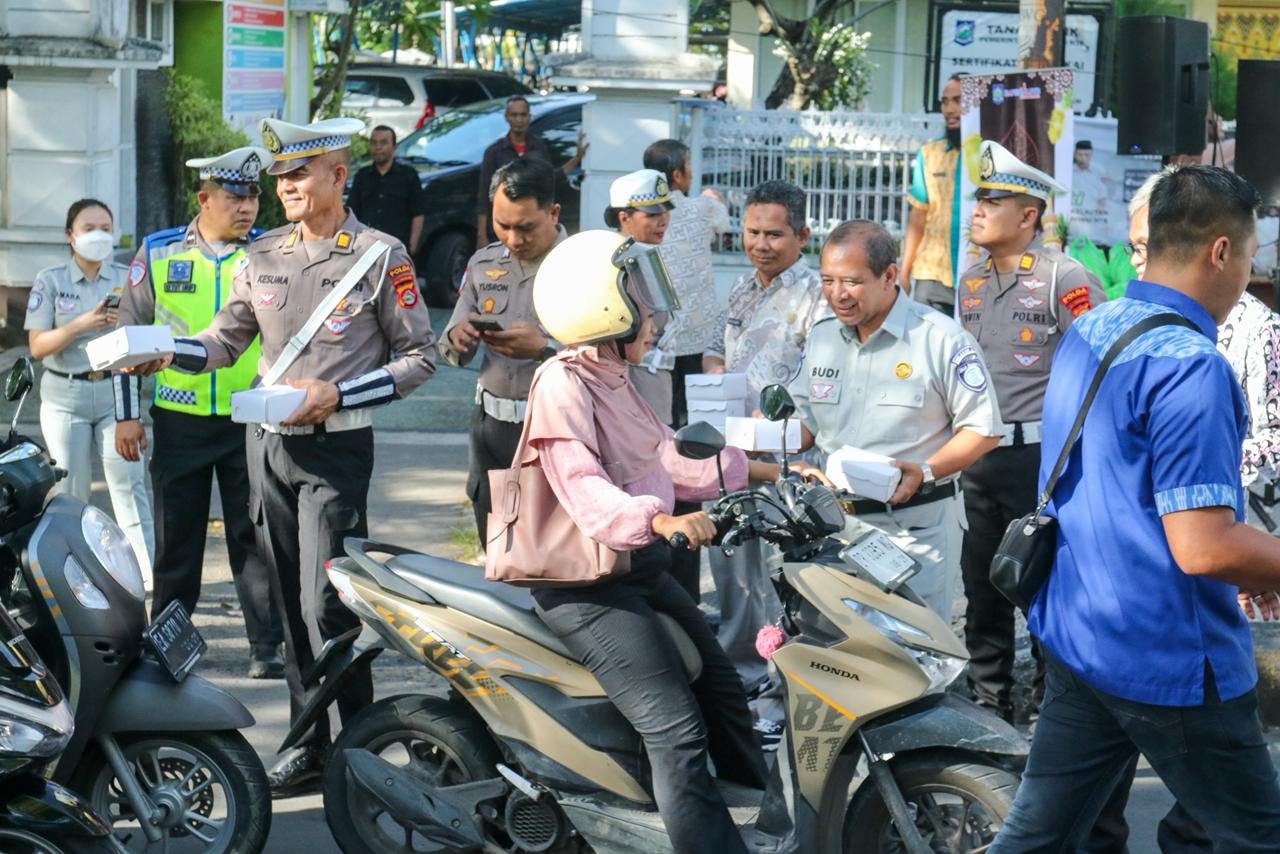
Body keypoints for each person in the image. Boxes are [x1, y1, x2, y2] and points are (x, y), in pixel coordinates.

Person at [128, 116, 437, 796]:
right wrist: (165, 352)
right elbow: (222, 341)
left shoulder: (380, 255)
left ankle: (361, 747)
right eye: (280, 178)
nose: (286, 187)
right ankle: (309, 744)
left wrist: (339, 392)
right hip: (265, 447)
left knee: (328, 605)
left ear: (337, 175)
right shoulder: (263, 253)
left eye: (299, 173)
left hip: (336, 451)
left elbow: (421, 357)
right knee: (292, 607)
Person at [990, 165, 1280, 852]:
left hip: (1080, 630)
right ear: (1220, 252)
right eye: (1249, 257)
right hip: (1168, 652)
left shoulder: (1096, 326)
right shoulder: (1191, 365)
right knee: (1256, 838)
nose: (1249, 275)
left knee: (1039, 838)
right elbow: (1203, 547)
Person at [525, 228, 793, 853]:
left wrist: (768, 474)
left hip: (637, 566)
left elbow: (668, 458)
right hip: (586, 587)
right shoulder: (561, 383)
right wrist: (662, 522)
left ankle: (773, 829)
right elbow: (584, 487)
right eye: (639, 297)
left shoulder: (616, 374)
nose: (653, 313)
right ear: (604, 306)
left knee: (724, 692)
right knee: (675, 729)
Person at [116, 146, 285, 679]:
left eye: (253, 197)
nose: (247, 207)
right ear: (204, 198)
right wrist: (127, 415)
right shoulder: (160, 251)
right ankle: (168, 644)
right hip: (179, 418)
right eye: (235, 197)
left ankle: (266, 646)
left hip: (248, 415)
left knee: (253, 534)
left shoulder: (271, 252)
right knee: (176, 540)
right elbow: (127, 335)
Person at [956, 140, 1105, 724]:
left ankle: (1052, 708)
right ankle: (988, 705)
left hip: (1040, 458)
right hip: (978, 456)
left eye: (993, 202)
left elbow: (1101, 365)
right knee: (981, 588)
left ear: (1028, 216)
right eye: (979, 199)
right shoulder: (969, 280)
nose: (978, 210)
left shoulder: (1063, 276)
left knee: (1040, 583)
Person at [789, 220, 1003, 619]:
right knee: (842, 647)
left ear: (889, 276)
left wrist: (925, 470)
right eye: (828, 280)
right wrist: (748, 438)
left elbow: (982, 430)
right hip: (834, 529)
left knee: (914, 649)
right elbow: (806, 426)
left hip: (913, 534)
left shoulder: (939, 338)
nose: (837, 294)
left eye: (851, 282)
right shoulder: (822, 337)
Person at [702, 180, 828, 739]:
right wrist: (714, 377)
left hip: (786, 462)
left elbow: (816, 381)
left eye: (773, 234)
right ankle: (741, 680)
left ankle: (780, 691)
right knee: (733, 571)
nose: (760, 244)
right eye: (752, 232)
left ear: (802, 235)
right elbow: (717, 348)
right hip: (732, 457)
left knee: (780, 581)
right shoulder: (738, 288)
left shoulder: (818, 298)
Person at [25, 199, 155, 587]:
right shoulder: (50, 280)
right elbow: (37, 346)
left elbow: (145, 335)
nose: (98, 235)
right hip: (66, 397)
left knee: (129, 485)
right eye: (88, 228)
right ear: (71, 236)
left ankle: (145, 579)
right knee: (71, 493)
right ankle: (79, 578)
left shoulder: (128, 277)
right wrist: (81, 324)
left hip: (116, 395)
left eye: (105, 228)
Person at [440, 157, 564, 542]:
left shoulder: (581, 268)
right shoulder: (483, 263)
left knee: (549, 547)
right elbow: (449, 342)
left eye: (525, 227)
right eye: (502, 225)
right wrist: (458, 339)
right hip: (490, 428)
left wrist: (545, 350)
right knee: (494, 545)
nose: (513, 239)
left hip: (555, 431)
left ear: (553, 213)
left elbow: (609, 358)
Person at [642, 139, 730, 428]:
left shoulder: (642, 216)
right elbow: (724, 222)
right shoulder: (701, 207)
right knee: (697, 416)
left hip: (657, 336)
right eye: (689, 164)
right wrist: (712, 196)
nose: (693, 170)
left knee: (661, 415)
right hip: (699, 332)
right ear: (677, 175)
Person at [605, 168, 676, 424]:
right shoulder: (613, 264)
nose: (663, 220)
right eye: (652, 214)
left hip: (653, 390)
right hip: (627, 394)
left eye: (665, 211)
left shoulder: (645, 255)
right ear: (624, 217)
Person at [476, 95, 587, 246]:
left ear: (529, 117)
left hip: (531, 226)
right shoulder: (494, 152)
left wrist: (577, 158)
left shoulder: (538, 147)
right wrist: (481, 235)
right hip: (502, 228)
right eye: (514, 115)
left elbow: (550, 179)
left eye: (523, 115)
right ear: (507, 117)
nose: (519, 120)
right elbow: (484, 196)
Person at [900, 73, 963, 314]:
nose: (949, 109)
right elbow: (918, 216)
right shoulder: (929, 154)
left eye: (958, 100)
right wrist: (904, 273)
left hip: (980, 275)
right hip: (932, 273)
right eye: (945, 102)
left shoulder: (992, 155)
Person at [347, 124, 426, 254]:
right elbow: (352, 212)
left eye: (383, 143)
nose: (378, 147)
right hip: (365, 247)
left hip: (397, 248)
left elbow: (418, 213)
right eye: (374, 143)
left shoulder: (408, 175)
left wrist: (412, 247)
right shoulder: (362, 176)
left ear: (394, 146)